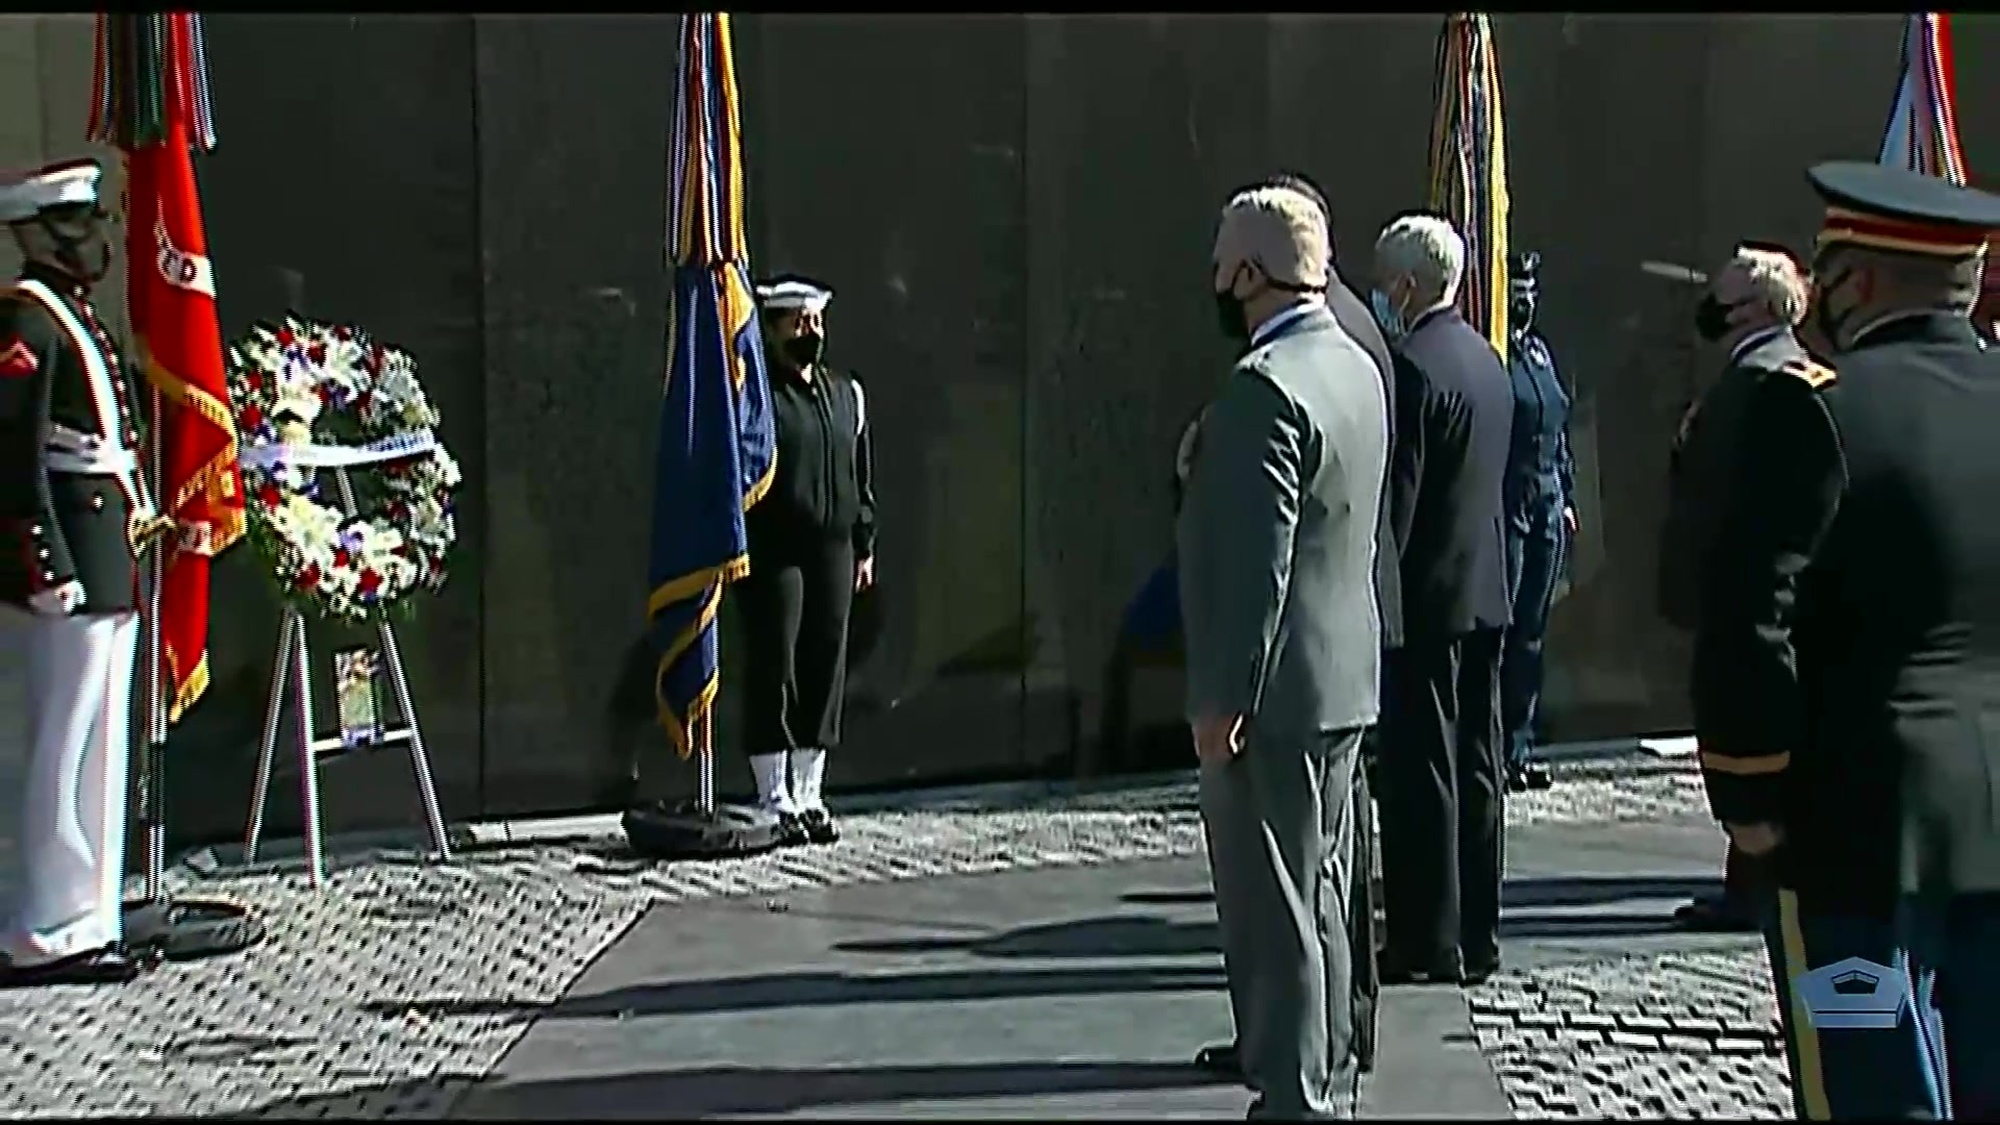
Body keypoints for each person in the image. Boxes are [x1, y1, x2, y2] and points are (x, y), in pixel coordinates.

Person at [1696, 161, 2000, 1119]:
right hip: (1992, 819)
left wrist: (1748, 791)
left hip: (1855, 836)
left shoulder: (1815, 408)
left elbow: (1751, 615)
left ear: (1854, 282)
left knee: (1868, 1080)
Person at [1179, 184, 1387, 1120]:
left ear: (1251, 273)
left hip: (1277, 692)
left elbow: (1256, 568)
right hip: (1343, 677)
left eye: (1223, 262)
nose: (1216, 281)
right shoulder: (1353, 365)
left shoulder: (1266, 388)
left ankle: (1297, 1097)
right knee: (1328, 892)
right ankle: (1330, 1072)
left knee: (1277, 911)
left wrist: (1223, 697)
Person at [0, 158, 162, 985]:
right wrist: (39, 558)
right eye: (85, 226)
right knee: (57, 748)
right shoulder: (26, 323)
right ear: (44, 235)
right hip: (67, 559)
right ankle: (40, 924)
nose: (101, 240)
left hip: (105, 556)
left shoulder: (72, 317)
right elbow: (14, 458)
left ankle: (85, 916)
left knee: (97, 749)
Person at [1368, 213, 1514, 987]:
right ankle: (1479, 930)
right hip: (1486, 591)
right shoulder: (1487, 358)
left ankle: (1427, 936)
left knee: (1422, 772)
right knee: (1479, 763)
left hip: (1426, 602)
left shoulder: (1413, 367)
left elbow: (1401, 503)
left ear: (1403, 285)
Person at [1657, 242, 1812, 935]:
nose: (1710, 312)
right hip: (1735, 601)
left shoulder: (1769, 383)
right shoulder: (1756, 375)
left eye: (1721, 299)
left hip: (1747, 605)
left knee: (1751, 750)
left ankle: (1763, 882)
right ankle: (1749, 879)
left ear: (1751, 308)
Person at [737, 275, 876, 846]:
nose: (809, 333)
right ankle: (773, 795)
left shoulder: (847, 394)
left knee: (825, 661)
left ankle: (810, 790)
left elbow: (861, 475)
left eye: (816, 322)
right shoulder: (759, 398)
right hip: (776, 550)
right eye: (797, 323)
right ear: (773, 330)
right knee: (776, 663)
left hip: (834, 548)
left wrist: (864, 544)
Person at [1498, 250, 1575, 794]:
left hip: (1546, 496)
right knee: (1499, 631)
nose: (1526, 299)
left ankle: (1520, 745)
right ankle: (1492, 748)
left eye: (1531, 289)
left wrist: (1566, 492)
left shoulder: (1538, 352)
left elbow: (1559, 425)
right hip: (1508, 498)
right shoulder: (1494, 352)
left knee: (1531, 630)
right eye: (1517, 288)